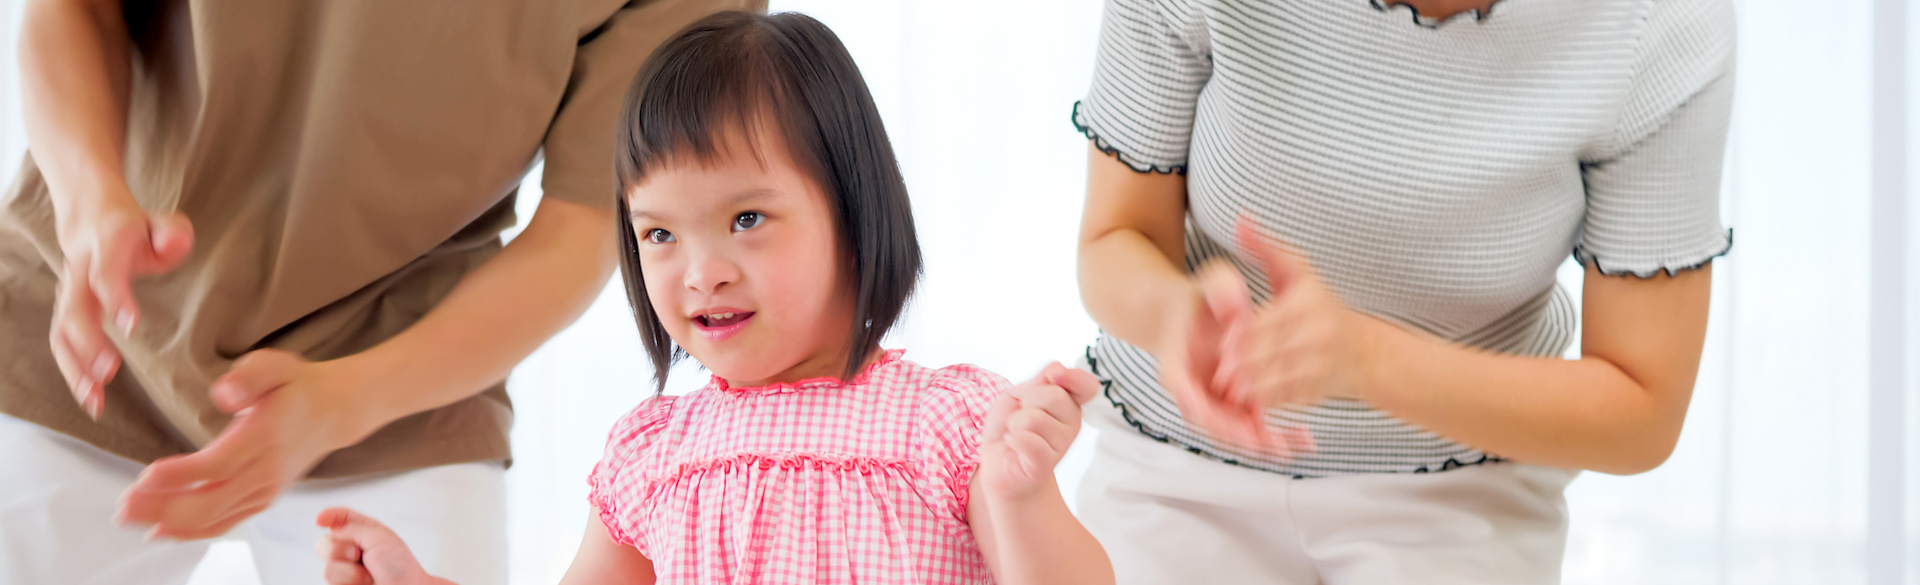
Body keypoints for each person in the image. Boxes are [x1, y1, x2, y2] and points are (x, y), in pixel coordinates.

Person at [315, 11, 1115, 585]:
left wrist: (1023, 493)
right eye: (659, 234)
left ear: (854, 210)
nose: (701, 272)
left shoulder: (952, 426)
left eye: (746, 218)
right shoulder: (654, 456)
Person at [0, 0, 757, 583]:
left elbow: (586, 223)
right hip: (84, 333)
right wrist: (88, 204)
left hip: (404, 374)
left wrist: (343, 401)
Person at [1069, 0, 1734, 582]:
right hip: (1173, 468)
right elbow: (1114, 237)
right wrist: (1179, 318)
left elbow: (1641, 408)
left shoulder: (1656, 22)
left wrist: (1367, 358)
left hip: (1459, 492)